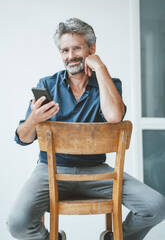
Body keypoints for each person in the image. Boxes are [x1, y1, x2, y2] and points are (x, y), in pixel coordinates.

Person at [7, 18, 165, 240]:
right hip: (50, 171)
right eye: (64, 50)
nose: (70, 56)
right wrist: (33, 120)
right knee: (17, 223)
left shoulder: (109, 83)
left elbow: (114, 116)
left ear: (92, 49)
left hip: (97, 172)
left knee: (156, 205)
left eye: (76, 48)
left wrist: (100, 67)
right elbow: (22, 139)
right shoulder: (47, 85)